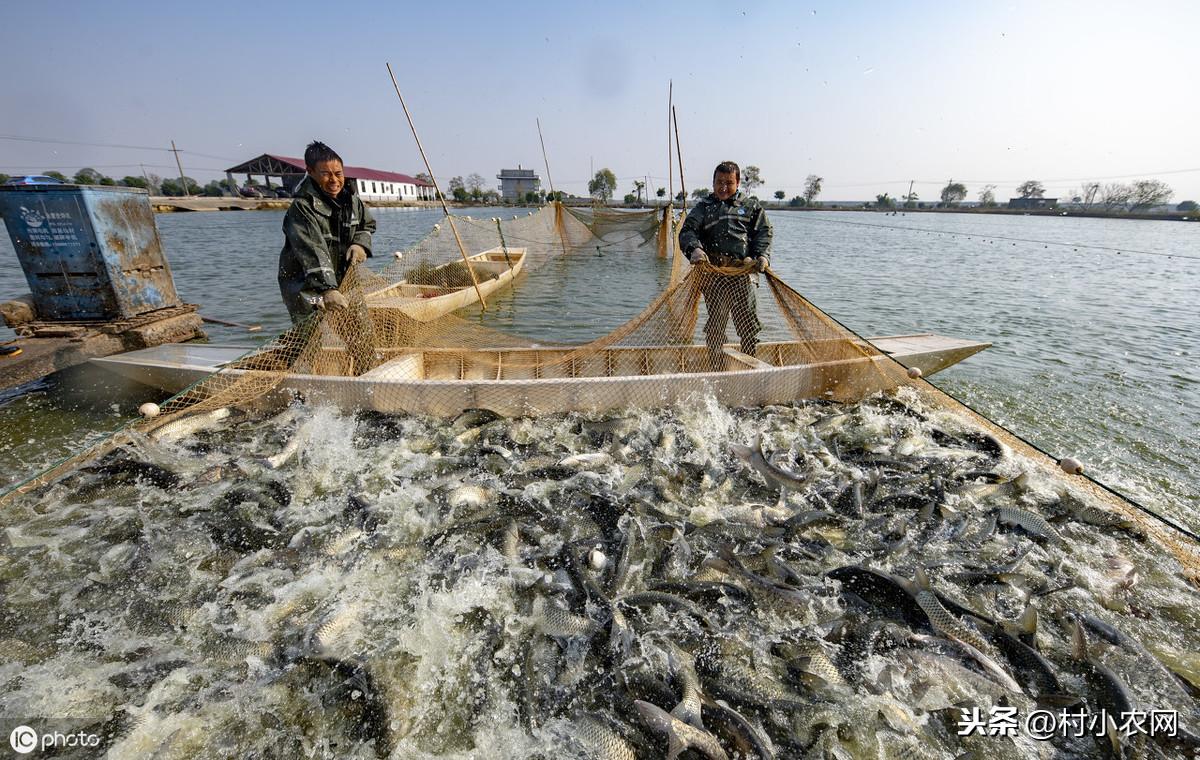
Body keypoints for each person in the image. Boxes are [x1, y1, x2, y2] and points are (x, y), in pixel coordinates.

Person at [678, 161, 773, 368]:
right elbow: (687, 232)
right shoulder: (704, 208)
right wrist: (694, 249)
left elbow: (763, 233)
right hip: (714, 275)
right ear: (712, 183)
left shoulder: (751, 207)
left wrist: (762, 256)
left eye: (728, 183)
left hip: (744, 274)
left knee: (748, 324)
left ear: (737, 183)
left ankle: (750, 366)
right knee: (716, 324)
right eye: (719, 182)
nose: (723, 187)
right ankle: (716, 367)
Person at [278, 141, 376, 324]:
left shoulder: (352, 201)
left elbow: (367, 225)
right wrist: (328, 289)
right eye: (325, 174)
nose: (334, 180)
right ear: (311, 171)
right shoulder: (301, 208)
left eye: (338, 174)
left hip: (344, 282)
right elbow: (314, 251)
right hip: (306, 291)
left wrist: (360, 244)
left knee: (360, 332)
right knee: (309, 338)